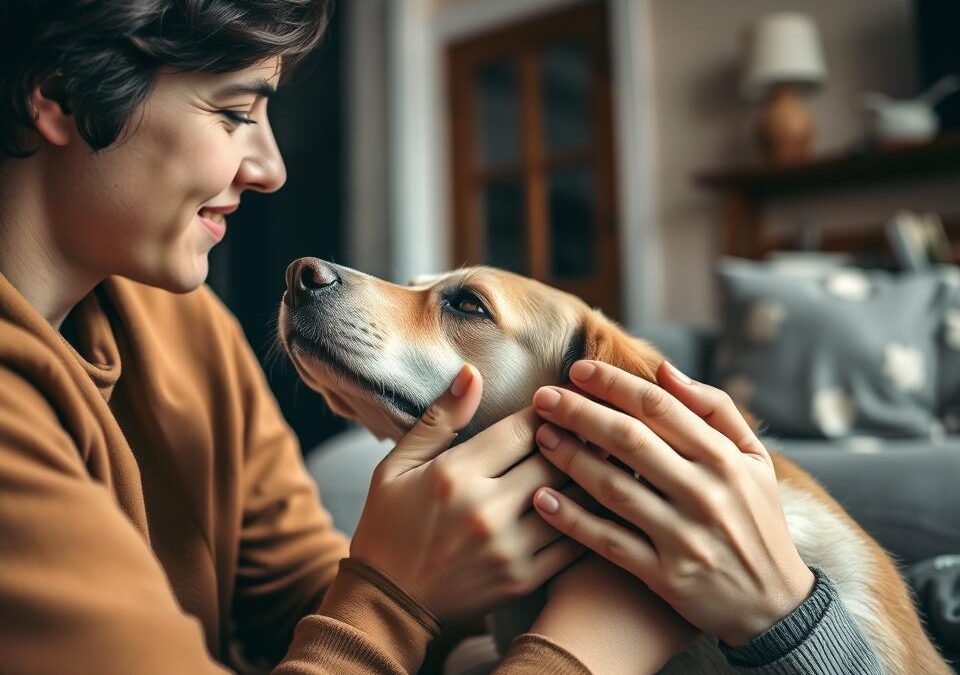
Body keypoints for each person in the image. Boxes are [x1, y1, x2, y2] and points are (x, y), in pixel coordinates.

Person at [0, 1, 884, 674]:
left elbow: (300, 599)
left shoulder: (183, 326)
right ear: (62, 94)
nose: (270, 168)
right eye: (235, 112)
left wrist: (443, 596)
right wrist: (594, 630)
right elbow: (372, 609)